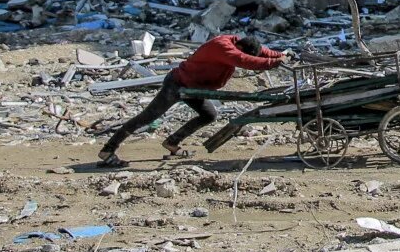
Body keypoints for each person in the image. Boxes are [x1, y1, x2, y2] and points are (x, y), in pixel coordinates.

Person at [98, 34, 288, 167]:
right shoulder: (223, 47)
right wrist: (275, 63)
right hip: (178, 84)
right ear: (240, 48)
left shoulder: (239, 42)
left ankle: (172, 142)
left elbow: (261, 51)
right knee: (147, 117)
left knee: (208, 114)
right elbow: (245, 60)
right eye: (244, 52)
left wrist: (281, 55)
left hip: (195, 87)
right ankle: (108, 150)